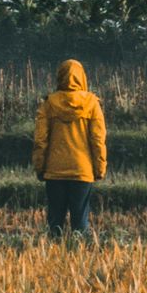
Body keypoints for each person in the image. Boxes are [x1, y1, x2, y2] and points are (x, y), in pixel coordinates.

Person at [33, 58, 107, 238]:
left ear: (60, 77)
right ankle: (79, 258)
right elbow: (97, 139)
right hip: (82, 171)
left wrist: (40, 167)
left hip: (54, 171)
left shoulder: (49, 104)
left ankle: (51, 258)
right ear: (82, 77)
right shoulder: (92, 104)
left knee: (55, 223)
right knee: (80, 223)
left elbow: (40, 140)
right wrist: (100, 168)